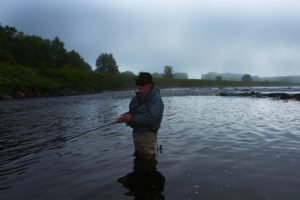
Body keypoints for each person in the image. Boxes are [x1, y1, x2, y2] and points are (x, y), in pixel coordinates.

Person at [117, 72, 164, 157]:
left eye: (142, 84)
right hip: (136, 134)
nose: (139, 86)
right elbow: (132, 113)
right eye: (138, 83)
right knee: (138, 158)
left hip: (148, 135)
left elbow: (152, 118)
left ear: (149, 85)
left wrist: (131, 118)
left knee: (148, 162)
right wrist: (123, 117)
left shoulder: (156, 99)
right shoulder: (136, 98)